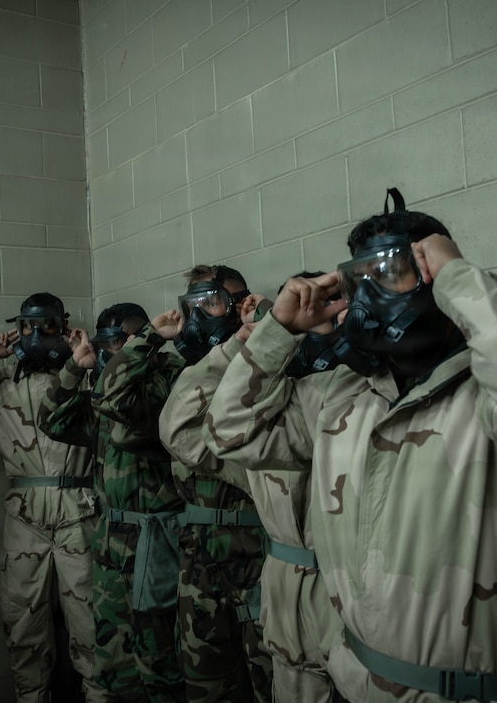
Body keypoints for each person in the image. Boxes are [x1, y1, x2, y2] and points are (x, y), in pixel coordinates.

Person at [200, 193, 497, 702]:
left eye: (390, 271)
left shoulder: (490, 391)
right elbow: (228, 431)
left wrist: (459, 277)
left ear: (433, 276)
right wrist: (278, 331)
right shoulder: (339, 394)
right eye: (360, 279)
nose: (368, 296)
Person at [159, 270, 342, 703]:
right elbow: (181, 428)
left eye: (329, 312)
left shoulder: (370, 407)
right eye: (296, 321)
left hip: (355, 609)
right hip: (286, 619)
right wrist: (246, 341)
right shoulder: (263, 436)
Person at [0, 293, 106, 703]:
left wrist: (85, 358)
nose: (35, 335)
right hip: (25, 517)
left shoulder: (82, 374)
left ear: (62, 327)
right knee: (22, 622)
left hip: (79, 510)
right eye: (27, 326)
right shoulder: (1, 381)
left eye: (46, 326)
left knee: (92, 625)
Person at [40, 303, 186, 702]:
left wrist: (146, 344)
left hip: (154, 540)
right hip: (111, 541)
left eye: (120, 342)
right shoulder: (106, 384)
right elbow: (51, 420)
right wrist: (76, 367)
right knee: (114, 661)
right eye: (106, 344)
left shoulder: (168, 377)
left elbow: (122, 413)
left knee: (158, 662)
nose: (111, 350)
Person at [161, 264, 273, 703]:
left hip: (254, 548)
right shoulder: (192, 368)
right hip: (198, 555)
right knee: (206, 684)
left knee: (270, 678)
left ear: (238, 304)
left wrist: (259, 328)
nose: (201, 314)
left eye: (212, 302)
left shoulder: (267, 358)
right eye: (194, 305)